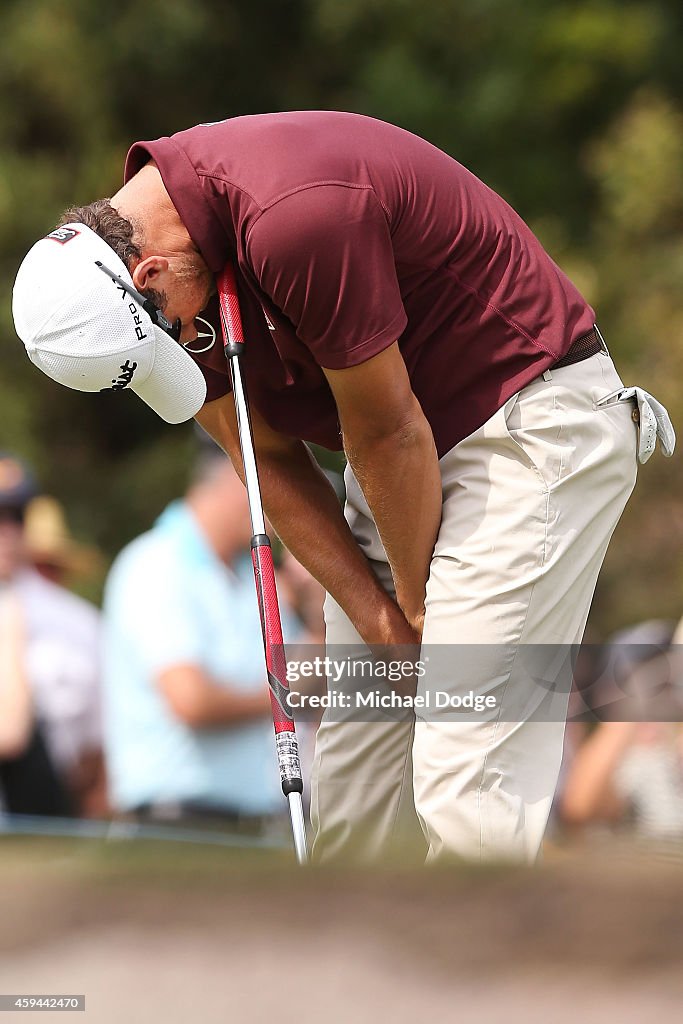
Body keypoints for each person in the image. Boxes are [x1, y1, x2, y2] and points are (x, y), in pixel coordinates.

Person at [12, 111, 674, 863]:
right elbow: (262, 458)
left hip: (524, 430)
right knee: (357, 799)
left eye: (179, 334)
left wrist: (419, 614)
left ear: (150, 275)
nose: (190, 346)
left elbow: (390, 431)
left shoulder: (295, 216)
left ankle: (480, 977)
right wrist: (382, 624)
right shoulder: (155, 266)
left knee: (464, 771)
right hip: (397, 466)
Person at [101, 449, 300, 830]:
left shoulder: (250, 575)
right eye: (275, 486)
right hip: (172, 826)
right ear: (234, 479)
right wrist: (291, 694)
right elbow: (190, 700)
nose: (282, 505)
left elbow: (311, 674)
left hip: (252, 824)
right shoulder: (156, 563)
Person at [0, 453, 104, 817]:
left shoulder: (77, 621)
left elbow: (97, 748)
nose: (9, 530)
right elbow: (10, 733)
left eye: (17, 516)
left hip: (51, 810)